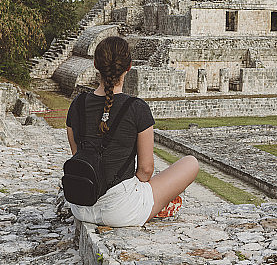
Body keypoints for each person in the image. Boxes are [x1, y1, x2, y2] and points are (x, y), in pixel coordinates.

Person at [65, 35, 199, 226]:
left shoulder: (77, 104)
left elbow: (78, 156)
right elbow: (145, 170)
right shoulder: (137, 108)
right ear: (129, 67)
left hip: (81, 204)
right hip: (120, 210)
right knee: (191, 163)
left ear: (95, 64)